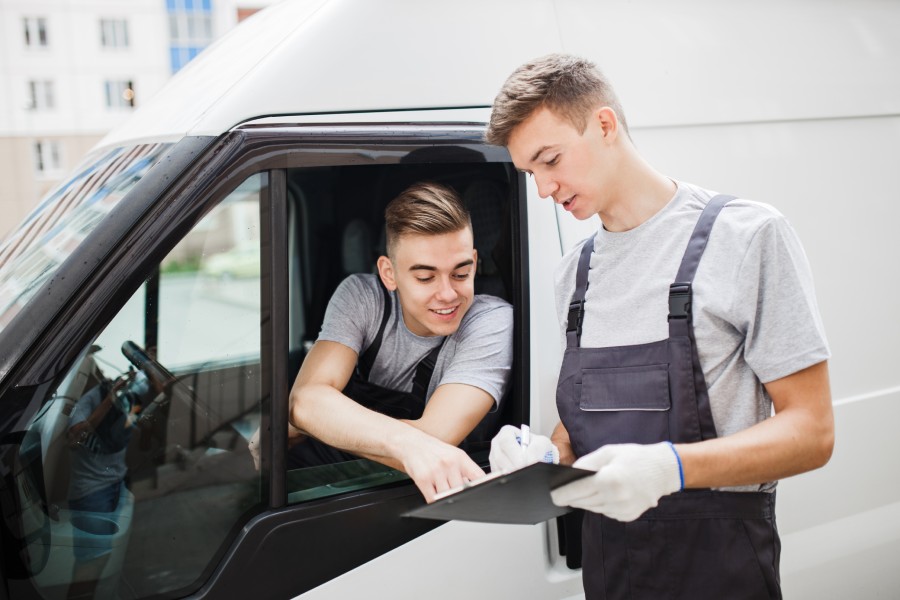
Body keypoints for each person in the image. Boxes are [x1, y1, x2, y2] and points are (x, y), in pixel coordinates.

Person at [486, 54, 834, 599]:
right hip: (611, 577)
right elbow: (580, 430)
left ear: (605, 125)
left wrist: (671, 467)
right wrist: (547, 459)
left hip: (721, 572)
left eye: (550, 160)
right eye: (531, 173)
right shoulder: (574, 276)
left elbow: (812, 432)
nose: (544, 189)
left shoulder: (745, 237)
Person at [264, 181, 513, 502]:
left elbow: (433, 442)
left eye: (461, 273)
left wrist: (317, 424)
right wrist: (308, 417)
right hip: (325, 480)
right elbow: (305, 401)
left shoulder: (491, 322)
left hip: (407, 499)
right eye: (425, 277)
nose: (448, 294)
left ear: (475, 263)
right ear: (389, 273)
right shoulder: (363, 297)